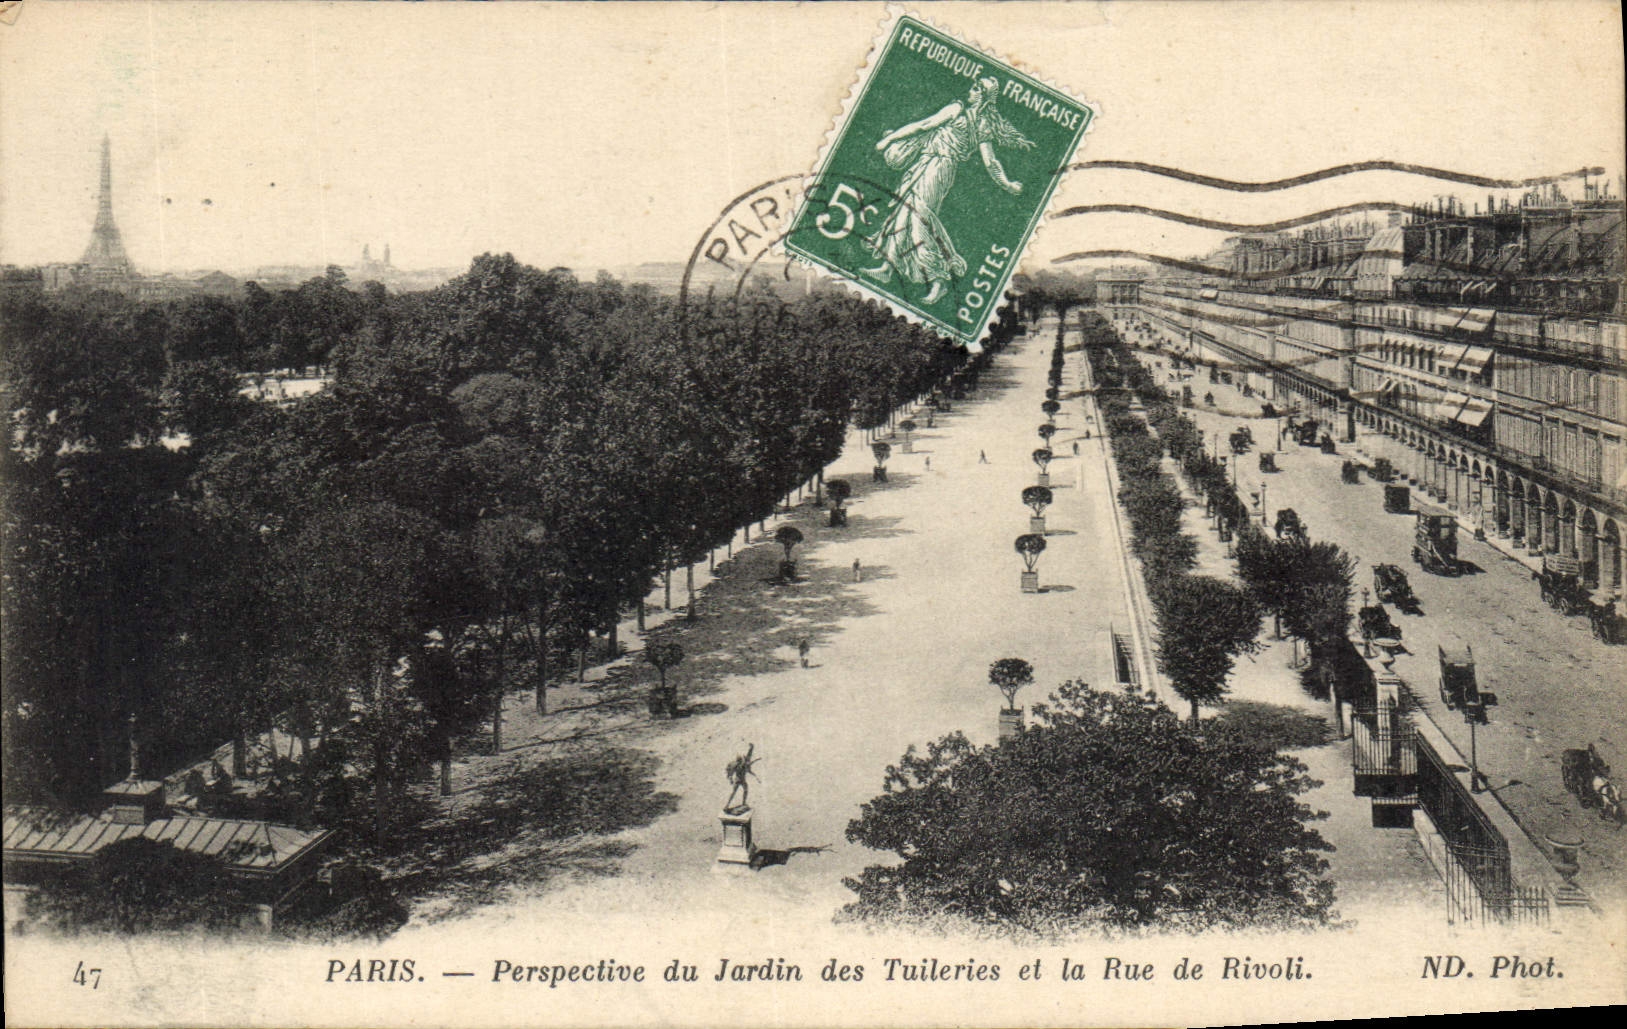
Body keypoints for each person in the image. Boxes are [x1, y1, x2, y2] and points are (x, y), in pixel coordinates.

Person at [862, 76, 1034, 305]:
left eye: (975, 88)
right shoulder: (982, 124)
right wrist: (1007, 183)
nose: (970, 91)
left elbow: (923, 126)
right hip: (930, 166)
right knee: (903, 214)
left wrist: (889, 139)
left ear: (982, 95)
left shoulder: (959, 110)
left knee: (918, 221)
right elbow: (990, 162)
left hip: (937, 168)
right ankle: (887, 266)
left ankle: (939, 279)